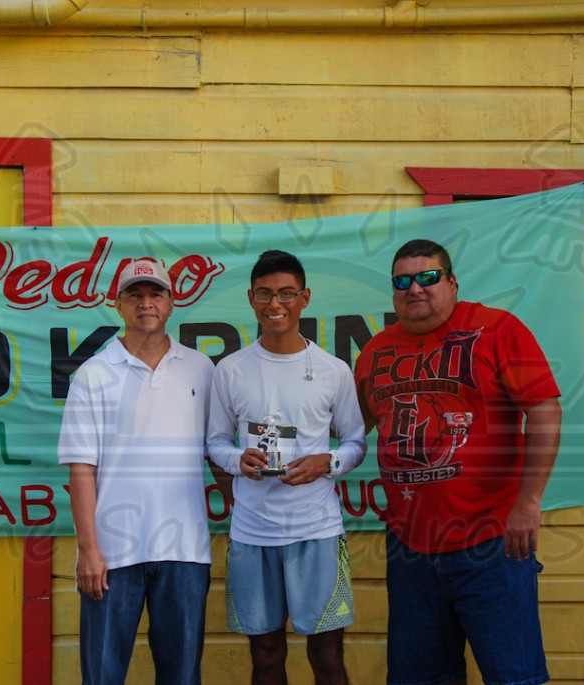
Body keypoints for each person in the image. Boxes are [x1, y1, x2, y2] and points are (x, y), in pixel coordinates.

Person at [354, 239, 561, 685]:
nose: (415, 289)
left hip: (491, 540)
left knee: (513, 677)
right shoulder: (375, 350)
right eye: (402, 281)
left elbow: (544, 409)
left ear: (452, 282)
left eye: (427, 277)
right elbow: (353, 428)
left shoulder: (497, 329)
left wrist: (528, 502)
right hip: (409, 547)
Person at [207, 250, 367, 685]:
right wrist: (238, 460)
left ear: (304, 298)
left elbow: (355, 443)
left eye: (286, 293)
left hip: (316, 530)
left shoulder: (334, 370)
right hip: (252, 532)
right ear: (251, 299)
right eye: (264, 294)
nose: (275, 304)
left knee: (327, 656)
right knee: (265, 655)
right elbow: (215, 442)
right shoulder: (230, 370)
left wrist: (326, 462)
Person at [58, 257, 215, 685]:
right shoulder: (92, 375)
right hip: (112, 555)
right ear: (118, 304)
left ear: (171, 302)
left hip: (185, 551)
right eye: (135, 294)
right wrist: (89, 551)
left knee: (182, 677)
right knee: (102, 676)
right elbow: (81, 469)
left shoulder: (201, 368)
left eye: (155, 294)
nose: (146, 303)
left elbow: (217, 452)